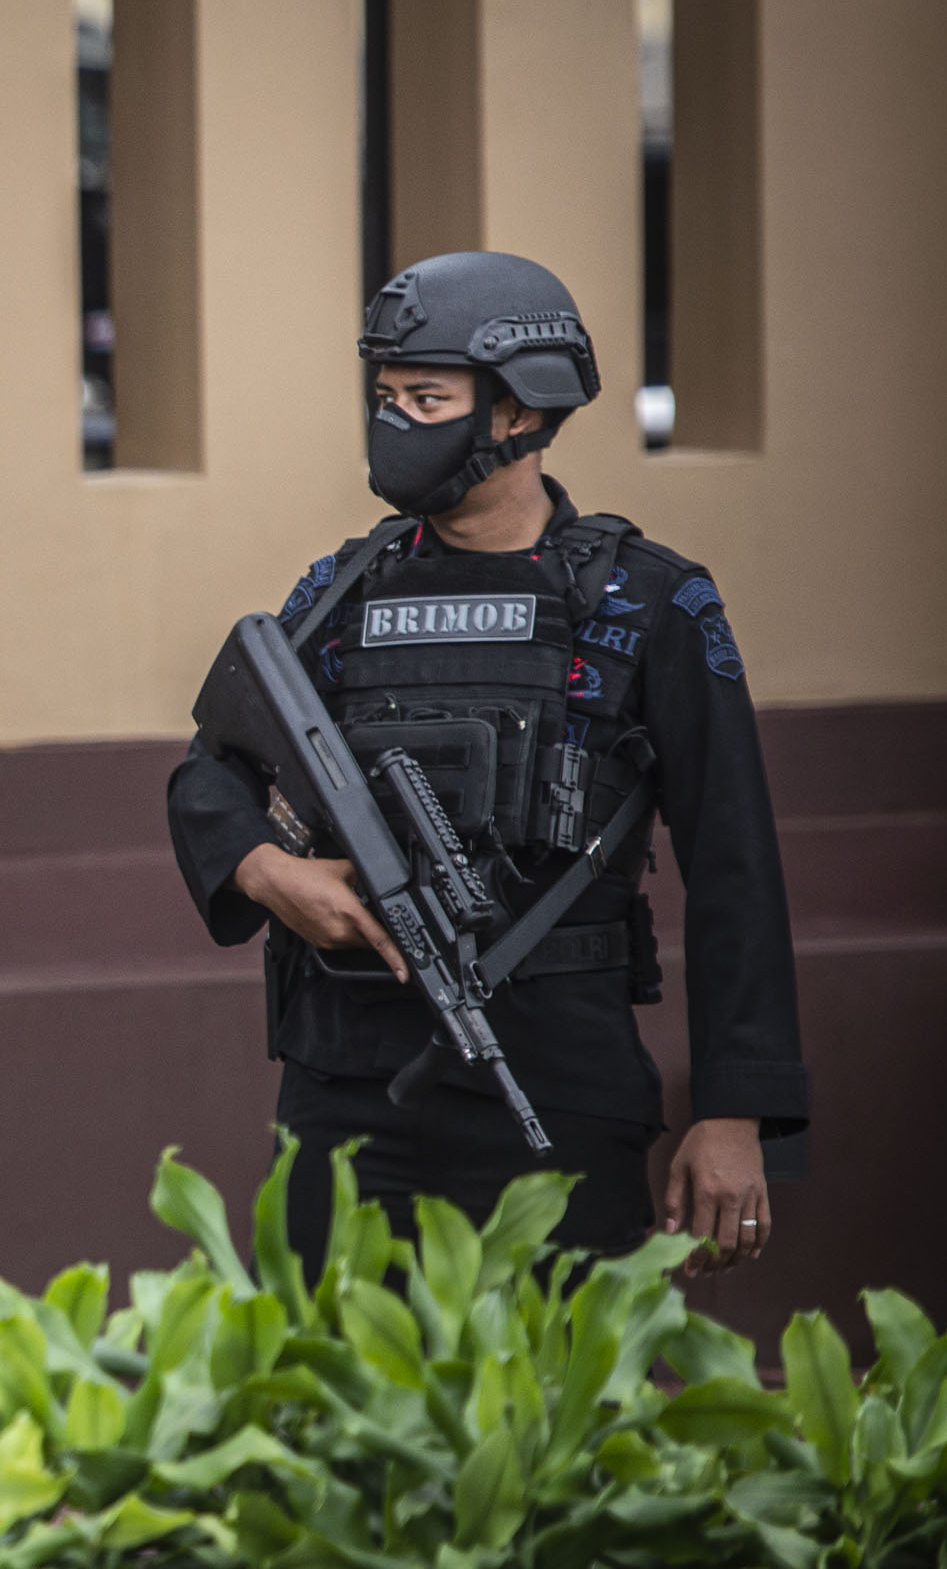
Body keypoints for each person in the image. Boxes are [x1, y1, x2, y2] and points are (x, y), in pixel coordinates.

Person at [167, 251, 807, 1265]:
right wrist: (266, 872)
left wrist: (736, 1113)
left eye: (425, 399)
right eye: (385, 398)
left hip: (554, 1085)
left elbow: (734, 865)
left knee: (558, 1362)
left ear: (518, 410)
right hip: (345, 1085)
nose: (394, 424)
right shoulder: (343, 591)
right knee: (323, 1359)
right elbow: (212, 769)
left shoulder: (647, 603)